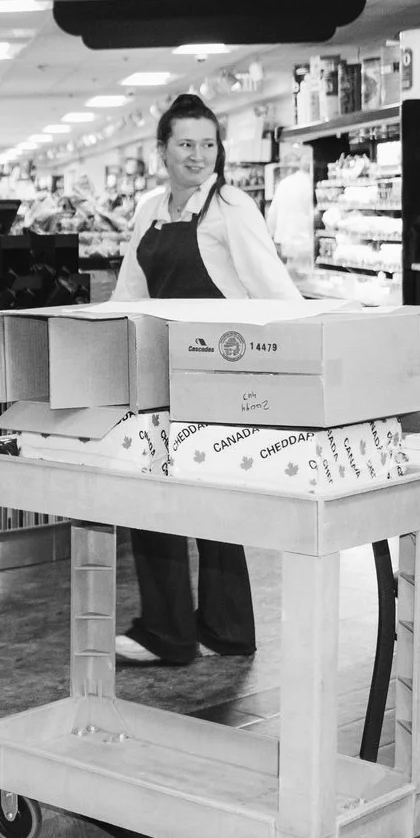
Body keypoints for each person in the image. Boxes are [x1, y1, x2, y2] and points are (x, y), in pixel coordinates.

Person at [109, 94, 304, 666]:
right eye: (186, 144)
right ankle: (175, 629)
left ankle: (219, 630)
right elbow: (130, 293)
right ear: (162, 150)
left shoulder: (231, 207)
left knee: (214, 500)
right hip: (160, 364)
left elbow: (272, 287)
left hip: (221, 367)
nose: (198, 155)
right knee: (153, 494)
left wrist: (298, 356)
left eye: (208, 144)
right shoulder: (148, 209)